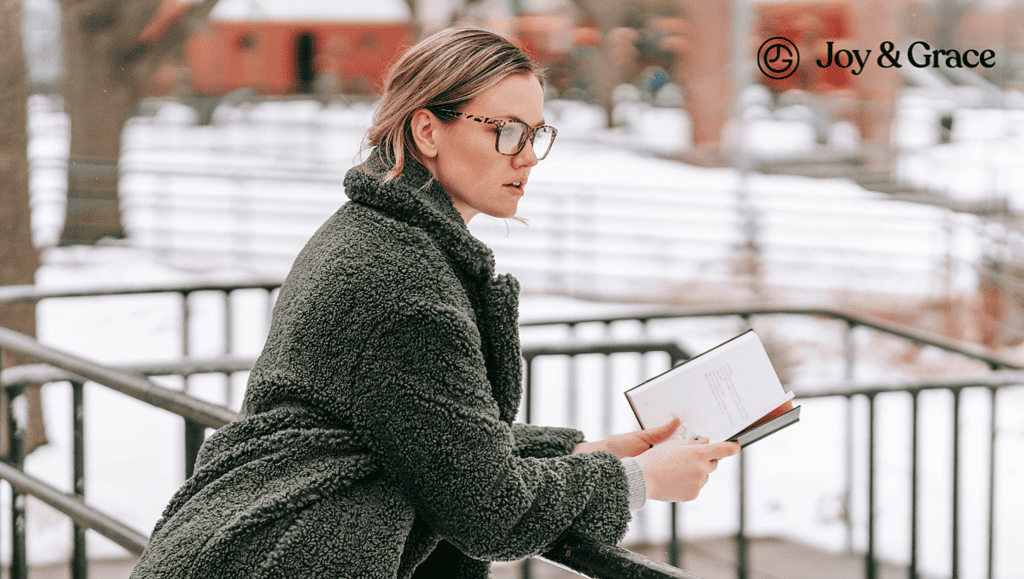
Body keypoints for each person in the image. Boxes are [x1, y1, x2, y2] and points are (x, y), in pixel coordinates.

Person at [129, 27, 740, 579]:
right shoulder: (401, 283)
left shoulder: (377, 235)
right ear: (427, 130)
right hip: (279, 554)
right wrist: (637, 479)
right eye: (505, 131)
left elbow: (416, 430)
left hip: (257, 544)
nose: (526, 156)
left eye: (536, 134)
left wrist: (579, 455)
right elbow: (486, 509)